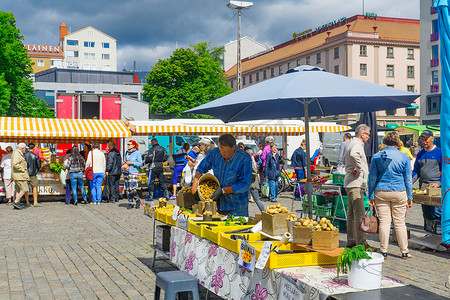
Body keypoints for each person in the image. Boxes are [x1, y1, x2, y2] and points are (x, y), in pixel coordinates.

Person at [368, 131, 413, 259]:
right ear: (398, 142)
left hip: (381, 190)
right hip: (399, 191)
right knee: (399, 222)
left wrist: (370, 195)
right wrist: (410, 197)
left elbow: (372, 178)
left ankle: (383, 250)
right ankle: (404, 251)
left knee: (384, 222)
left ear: (384, 141)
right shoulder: (404, 157)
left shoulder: (376, 156)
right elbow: (408, 179)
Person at [192, 134, 252, 217]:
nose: (223, 153)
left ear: (233, 147)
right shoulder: (214, 153)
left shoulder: (245, 158)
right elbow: (201, 168)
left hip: (238, 208)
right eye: (220, 150)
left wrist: (223, 190)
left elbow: (245, 184)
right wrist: (195, 186)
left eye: (226, 152)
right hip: (220, 207)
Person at [343, 124, 376, 250]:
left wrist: (352, 167)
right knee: (359, 214)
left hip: (350, 182)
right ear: (362, 134)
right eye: (368, 134)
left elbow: (343, 159)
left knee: (351, 214)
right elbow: (353, 154)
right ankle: (361, 242)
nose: (368, 137)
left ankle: (351, 240)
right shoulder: (357, 144)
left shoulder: (350, 143)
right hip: (356, 183)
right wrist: (361, 169)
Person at [412, 130, 442, 221]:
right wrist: (408, 182)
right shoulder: (420, 153)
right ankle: (429, 233)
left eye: (426, 139)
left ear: (432, 139)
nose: (424, 142)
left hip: (436, 187)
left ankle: (439, 232)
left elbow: (446, 171)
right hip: (423, 186)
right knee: (426, 212)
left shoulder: (439, 152)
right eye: (422, 139)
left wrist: (439, 183)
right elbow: (416, 171)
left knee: (437, 211)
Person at [123, 140, 143, 209]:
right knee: (127, 189)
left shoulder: (137, 153)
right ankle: (130, 202)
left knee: (132, 188)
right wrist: (124, 164)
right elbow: (124, 161)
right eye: (128, 144)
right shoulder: (126, 153)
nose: (128, 145)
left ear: (133, 145)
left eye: (130, 144)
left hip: (133, 172)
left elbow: (140, 163)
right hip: (126, 172)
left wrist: (132, 163)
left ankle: (137, 200)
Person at [11, 143, 29, 210]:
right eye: (25, 148)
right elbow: (15, 164)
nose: (25, 150)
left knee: (19, 190)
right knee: (24, 189)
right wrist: (22, 169)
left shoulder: (17, 153)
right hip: (20, 175)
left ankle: (17, 203)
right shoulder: (17, 154)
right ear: (22, 148)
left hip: (18, 175)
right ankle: (16, 202)